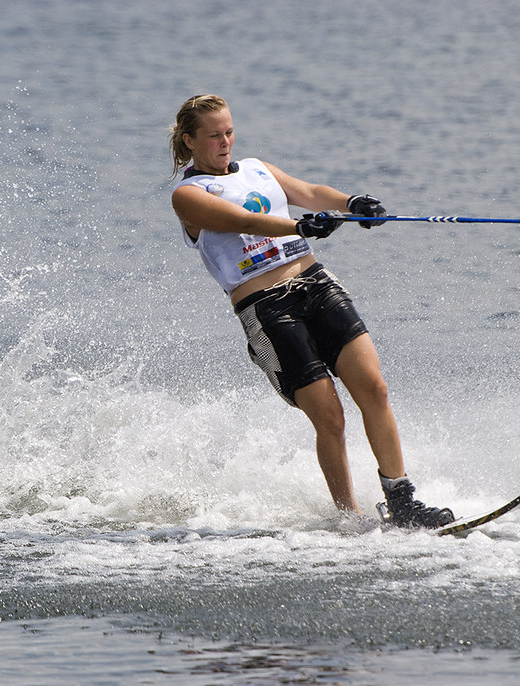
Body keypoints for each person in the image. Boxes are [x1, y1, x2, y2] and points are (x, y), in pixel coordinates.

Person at [169, 94, 454, 529]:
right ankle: (349, 519)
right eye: (213, 136)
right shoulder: (188, 195)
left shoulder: (257, 168)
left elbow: (310, 193)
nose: (225, 141)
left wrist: (352, 203)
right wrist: (299, 225)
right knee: (331, 417)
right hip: (266, 309)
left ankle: (403, 502)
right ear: (189, 141)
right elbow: (240, 220)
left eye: (229, 132)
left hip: (317, 286)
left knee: (373, 389)